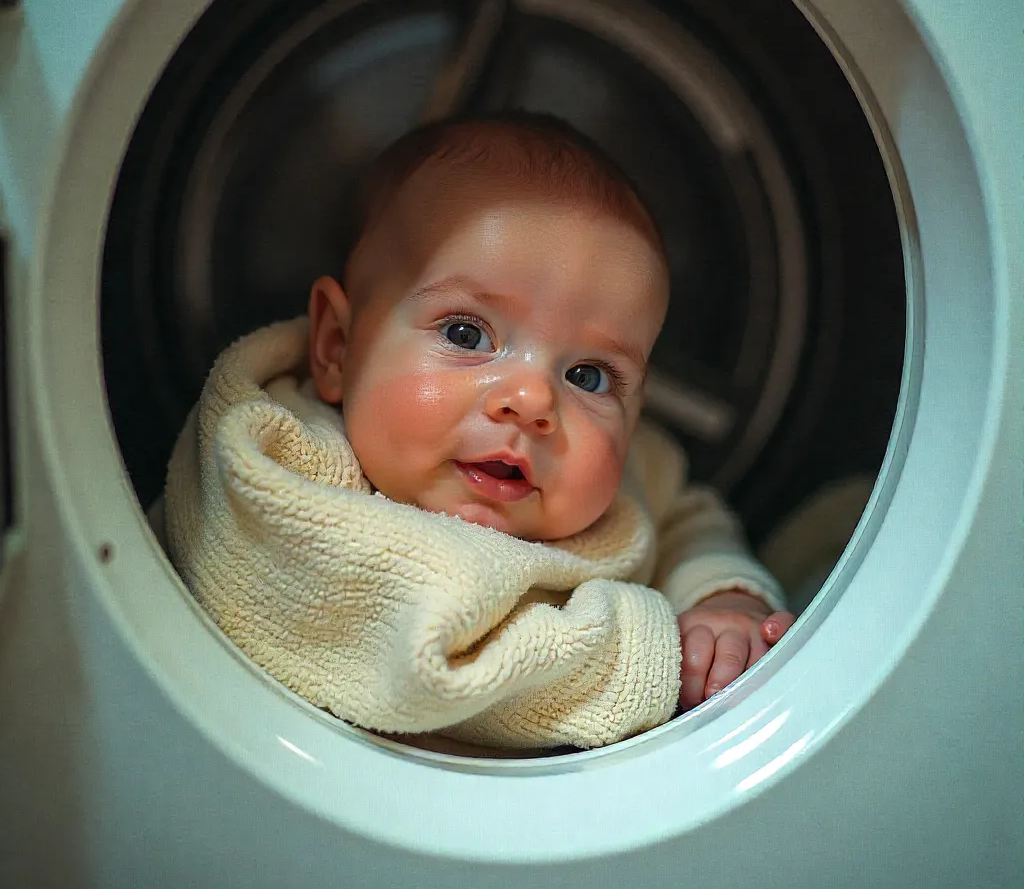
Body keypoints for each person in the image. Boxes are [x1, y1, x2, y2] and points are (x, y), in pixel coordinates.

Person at [164, 111, 794, 750]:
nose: (533, 401)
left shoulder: (623, 469)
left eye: (589, 376)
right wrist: (650, 653)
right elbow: (418, 668)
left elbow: (687, 521)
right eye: (467, 334)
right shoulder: (283, 459)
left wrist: (726, 599)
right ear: (336, 346)